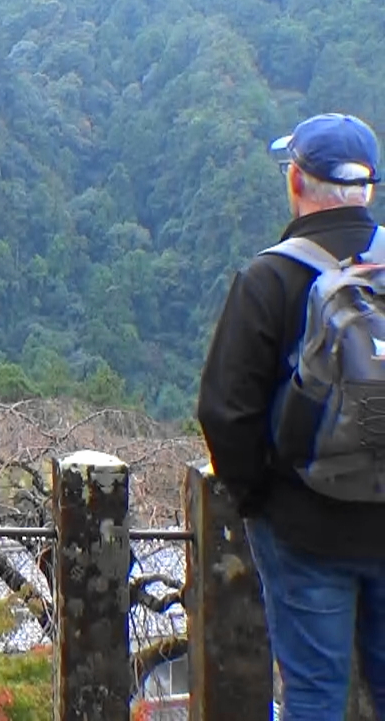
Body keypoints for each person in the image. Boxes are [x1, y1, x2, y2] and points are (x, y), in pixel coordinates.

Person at [198, 112, 385, 718]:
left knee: (313, 694)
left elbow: (225, 411)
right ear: (368, 189)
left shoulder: (270, 277)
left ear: (297, 181)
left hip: (305, 529)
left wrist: (263, 502)